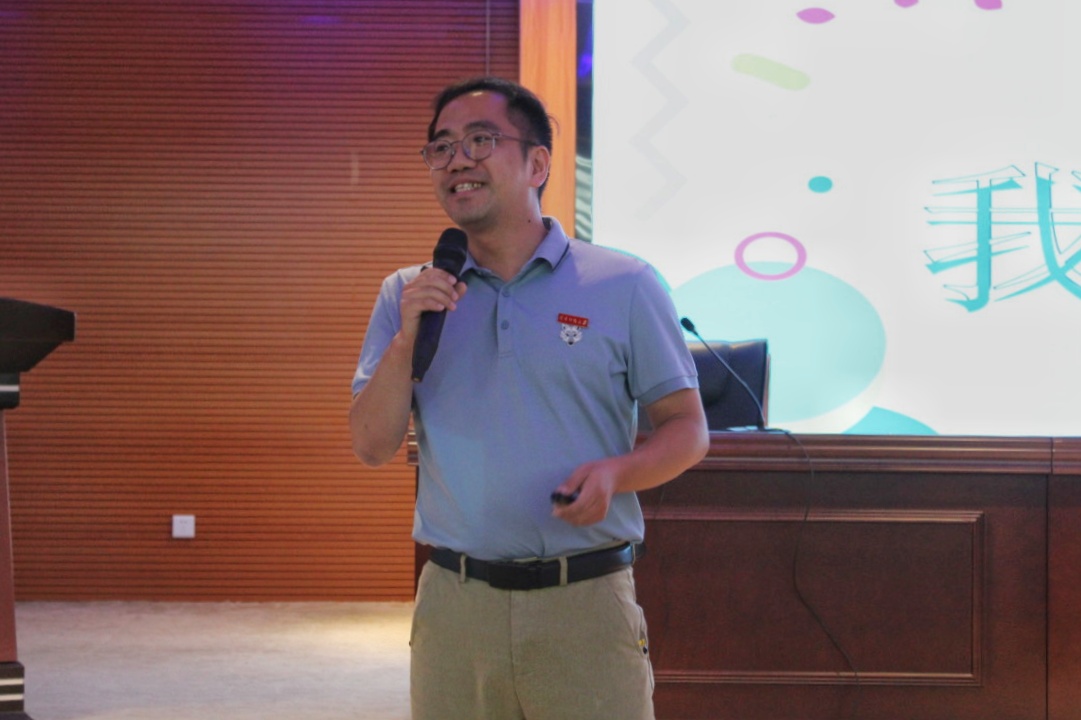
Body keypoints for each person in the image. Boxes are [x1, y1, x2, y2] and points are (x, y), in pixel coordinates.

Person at [349, 76, 709, 720]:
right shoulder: (407, 294)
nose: (457, 160)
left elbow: (687, 427)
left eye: (480, 140)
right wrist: (406, 340)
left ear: (538, 164)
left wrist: (616, 473)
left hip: (585, 602)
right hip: (456, 606)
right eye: (441, 147)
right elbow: (372, 446)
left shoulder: (625, 283)